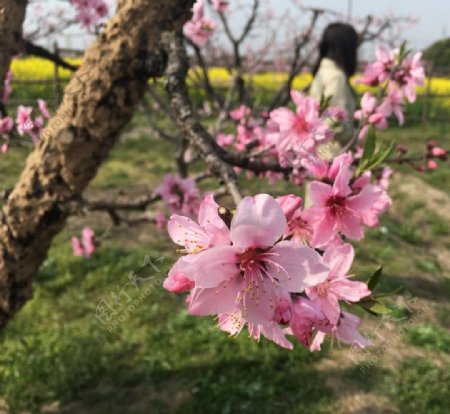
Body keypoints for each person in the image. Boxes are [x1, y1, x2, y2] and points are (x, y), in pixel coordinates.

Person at [309, 22, 359, 147]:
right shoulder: (336, 77)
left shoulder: (322, 72)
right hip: (332, 153)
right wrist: (358, 136)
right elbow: (337, 124)